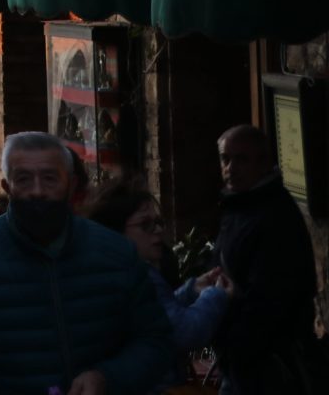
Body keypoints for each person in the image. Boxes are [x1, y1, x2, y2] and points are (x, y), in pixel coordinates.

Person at [0, 131, 171, 395]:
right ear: (6, 186)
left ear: (70, 184)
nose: (37, 191)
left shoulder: (116, 255)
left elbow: (155, 340)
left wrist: (107, 378)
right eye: (23, 179)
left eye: (50, 179)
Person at [213, 124, 324, 393]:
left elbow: (270, 298)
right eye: (225, 159)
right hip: (242, 363)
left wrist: (235, 346)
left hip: (267, 366)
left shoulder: (274, 217)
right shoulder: (240, 206)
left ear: (264, 162)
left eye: (241, 159)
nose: (231, 168)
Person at [84, 183, 228, 374]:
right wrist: (215, 295)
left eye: (158, 222)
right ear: (116, 233)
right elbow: (183, 332)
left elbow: (157, 313)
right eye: (145, 225)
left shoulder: (114, 270)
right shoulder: (136, 275)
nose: (158, 230)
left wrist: (191, 291)